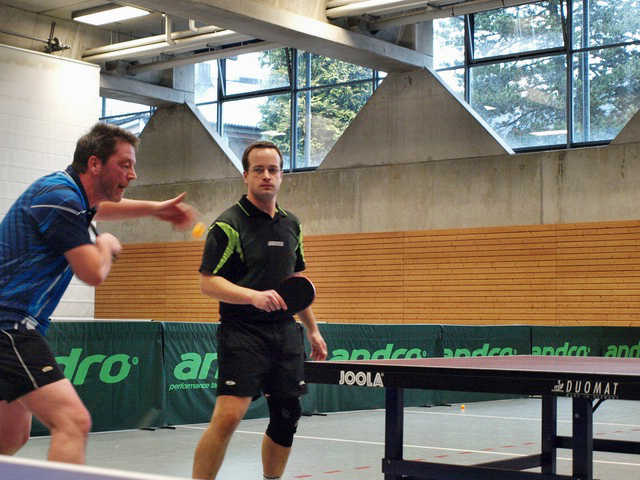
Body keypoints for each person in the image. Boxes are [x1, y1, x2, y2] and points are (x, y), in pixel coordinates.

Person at [0, 122, 196, 464]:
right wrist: (104, 243)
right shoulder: (60, 198)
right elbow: (92, 272)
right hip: (9, 325)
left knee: (10, 435)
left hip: (14, 325)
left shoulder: (69, 195)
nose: (133, 174)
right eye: (125, 164)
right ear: (94, 164)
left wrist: (155, 209)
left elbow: (101, 209)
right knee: (73, 422)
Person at [193, 141, 327, 480]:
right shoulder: (228, 225)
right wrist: (252, 296)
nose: (266, 176)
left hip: (285, 332)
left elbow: (296, 283)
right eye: (259, 170)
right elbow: (208, 283)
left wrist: (312, 329)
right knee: (228, 416)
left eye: (273, 170)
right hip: (243, 332)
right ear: (246, 175)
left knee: (287, 414)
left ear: (281, 176)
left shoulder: (291, 224)